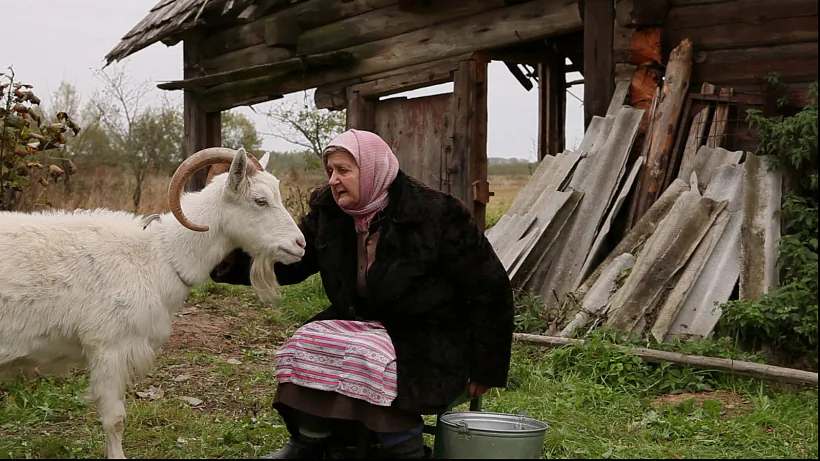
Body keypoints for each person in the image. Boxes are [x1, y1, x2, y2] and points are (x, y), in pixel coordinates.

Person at [210, 129, 515, 459]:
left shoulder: (437, 214)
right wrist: (224, 255)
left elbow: (489, 288)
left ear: (373, 169)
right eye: (330, 172)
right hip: (360, 323)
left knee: (369, 355)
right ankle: (309, 442)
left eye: (344, 170)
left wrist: (486, 368)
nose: (334, 181)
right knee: (304, 343)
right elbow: (292, 263)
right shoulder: (329, 212)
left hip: (430, 333)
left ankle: (405, 451)